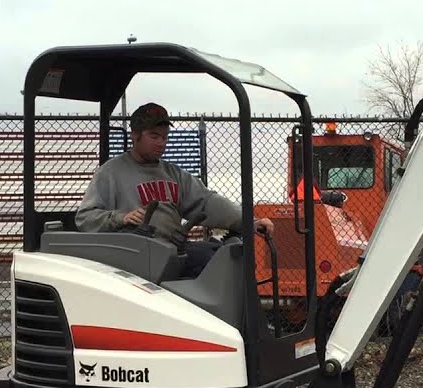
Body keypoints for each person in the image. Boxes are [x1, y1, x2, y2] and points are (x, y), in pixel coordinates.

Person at [73, 102, 273, 278]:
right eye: (154, 136)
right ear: (135, 135)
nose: (161, 143)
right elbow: (85, 218)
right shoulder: (110, 173)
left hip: (170, 251)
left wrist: (250, 222)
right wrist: (121, 218)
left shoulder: (172, 173)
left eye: (164, 137)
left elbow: (207, 202)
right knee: (208, 263)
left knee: (225, 258)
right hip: (133, 257)